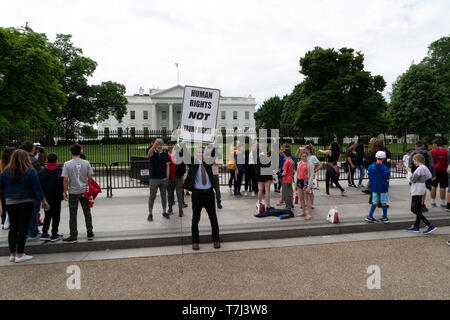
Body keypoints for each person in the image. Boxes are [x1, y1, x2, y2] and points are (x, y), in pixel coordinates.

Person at [0, 149, 50, 263]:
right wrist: (43, 200)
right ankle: (20, 254)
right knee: (23, 228)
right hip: (26, 202)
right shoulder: (29, 171)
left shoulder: (5, 172)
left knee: (13, 228)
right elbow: (37, 188)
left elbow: (1, 188)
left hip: (10, 202)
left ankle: (12, 253)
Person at [183, 146, 220, 251]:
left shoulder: (208, 162)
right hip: (197, 194)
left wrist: (215, 143)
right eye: (199, 152)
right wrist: (181, 141)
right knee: (195, 218)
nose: (201, 154)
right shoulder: (193, 162)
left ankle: (216, 239)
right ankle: (195, 242)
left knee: (213, 217)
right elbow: (184, 153)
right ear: (195, 154)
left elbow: (214, 153)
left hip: (209, 194)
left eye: (203, 152)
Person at [62, 144, 95, 243]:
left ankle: (73, 235)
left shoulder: (67, 164)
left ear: (70, 152)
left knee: (73, 214)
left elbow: (65, 179)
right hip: (84, 190)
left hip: (73, 191)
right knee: (87, 212)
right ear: (80, 152)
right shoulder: (86, 162)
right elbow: (90, 178)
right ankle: (90, 232)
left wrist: (65, 191)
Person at [405, 154, 437, 234]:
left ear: (416, 160)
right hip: (421, 188)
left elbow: (412, 180)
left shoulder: (419, 169)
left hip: (416, 190)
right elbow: (429, 176)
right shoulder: (424, 167)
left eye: (414, 160)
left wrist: (409, 172)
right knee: (418, 209)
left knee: (414, 209)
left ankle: (429, 225)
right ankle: (416, 226)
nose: (413, 162)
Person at [38, 153, 64, 241]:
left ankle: (44, 232)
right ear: (56, 160)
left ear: (47, 160)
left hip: (46, 197)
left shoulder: (42, 171)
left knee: (47, 216)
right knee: (56, 216)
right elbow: (61, 182)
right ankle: (54, 233)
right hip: (56, 196)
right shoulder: (59, 170)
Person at [20, 140, 42, 239]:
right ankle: (33, 231)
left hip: (21, 189)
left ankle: (26, 231)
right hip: (33, 190)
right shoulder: (33, 161)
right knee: (34, 212)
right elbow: (39, 176)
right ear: (32, 149)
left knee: (24, 213)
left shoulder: (18, 160)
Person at [147, 138, 170, 221]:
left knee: (164, 196)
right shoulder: (153, 152)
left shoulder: (165, 154)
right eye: (158, 142)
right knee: (152, 196)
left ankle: (164, 211)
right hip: (154, 178)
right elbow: (149, 155)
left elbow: (167, 166)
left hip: (163, 178)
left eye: (161, 142)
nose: (159, 143)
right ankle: (150, 213)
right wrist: (154, 145)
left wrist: (167, 177)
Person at [408, 141, 435, 212]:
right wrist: (433, 174)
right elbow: (432, 164)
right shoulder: (427, 152)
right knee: (424, 188)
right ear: (423, 145)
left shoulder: (413, 153)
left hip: (415, 174)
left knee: (416, 189)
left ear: (416, 146)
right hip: (424, 173)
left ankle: (416, 204)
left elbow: (410, 165)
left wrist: (410, 174)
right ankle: (422, 203)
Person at [365, 151, 390, 223]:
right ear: (384, 158)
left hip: (375, 187)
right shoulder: (385, 168)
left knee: (375, 202)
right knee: (384, 202)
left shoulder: (371, 167)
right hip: (383, 187)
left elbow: (369, 176)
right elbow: (387, 179)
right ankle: (384, 217)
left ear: (376, 157)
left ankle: (370, 216)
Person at [167, 141, 186, 217]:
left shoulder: (179, 154)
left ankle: (180, 210)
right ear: (167, 146)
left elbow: (183, 165)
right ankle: (170, 208)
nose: (170, 146)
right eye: (169, 145)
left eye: (172, 145)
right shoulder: (165, 154)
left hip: (178, 178)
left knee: (179, 194)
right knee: (170, 195)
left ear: (174, 146)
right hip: (169, 178)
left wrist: (180, 174)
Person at [429, 138, 448, 208]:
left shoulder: (431, 152)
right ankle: (443, 202)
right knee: (443, 187)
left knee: (433, 186)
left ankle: (433, 201)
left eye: (433, 144)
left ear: (435, 144)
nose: (433, 145)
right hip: (444, 171)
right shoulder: (446, 152)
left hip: (434, 171)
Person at [1, 147, 16, 230]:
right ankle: (8, 222)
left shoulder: (2, 163)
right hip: (10, 188)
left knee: (4, 207)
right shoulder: (12, 166)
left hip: (3, 189)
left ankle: (5, 222)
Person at [296, 151, 314, 219]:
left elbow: (311, 175)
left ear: (307, 156)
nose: (304, 157)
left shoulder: (310, 164)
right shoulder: (299, 163)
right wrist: (295, 183)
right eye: (302, 156)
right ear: (300, 156)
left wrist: (309, 186)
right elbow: (297, 173)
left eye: (305, 156)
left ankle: (309, 214)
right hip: (299, 181)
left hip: (306, 182)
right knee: (301, 197)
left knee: (307, 198)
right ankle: (303, 212)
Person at [304, 144, 322, 209]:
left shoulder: (313, 157)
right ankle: (307, 202)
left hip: (310, 176)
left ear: (308, 150)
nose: (304, 150)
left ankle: (311, 203)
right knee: (305, 190)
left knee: (310, 190)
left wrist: (315, 171)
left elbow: (320, 165)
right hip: (304, 175)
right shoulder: (305, 156)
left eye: (305, 149)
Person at [206, 142, 223, 209]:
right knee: (207, 190)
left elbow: (221, 163)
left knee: (217, 190)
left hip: (215, 174)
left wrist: (216, 162)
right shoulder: (206, 154)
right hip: (207, 174)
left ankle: (218, 202)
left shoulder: (218, 154)